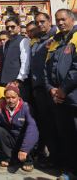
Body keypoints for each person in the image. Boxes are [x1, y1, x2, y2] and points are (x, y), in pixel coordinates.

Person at [44, 9, 77, 178]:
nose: (61, 23)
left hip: (73, 96)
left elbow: (76, 69)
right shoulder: (55, 41)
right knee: (64, 135)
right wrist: (50, 88)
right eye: (58, 20)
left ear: (72, 20)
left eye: (64, 19)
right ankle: (68, 169)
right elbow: (46, 67)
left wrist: (63, 89)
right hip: (57, 96)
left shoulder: (76, 38)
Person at [0, 84, 38, 172]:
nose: (10, 100)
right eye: (8, 98)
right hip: (12, 138)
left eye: (13, 97)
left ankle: (28, 160)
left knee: (31, 133)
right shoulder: (1, 108)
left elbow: (32, 129)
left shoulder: (26, 107)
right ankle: (10, 157)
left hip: (24, 140)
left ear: (18, 96)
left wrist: (24, 149)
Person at [29, 12, 58, 165]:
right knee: (45, 123)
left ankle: (61, 158)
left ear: (49, 21)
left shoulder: (56, 38)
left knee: (56, 124)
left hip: (51, 88)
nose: (40, 24)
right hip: (38, 88)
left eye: (42, 21)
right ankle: (52, 156)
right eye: (37, 22)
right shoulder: (36, 41)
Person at [0, 17, 30, 101]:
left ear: (19, 27)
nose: (9, 29)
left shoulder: (23, 41)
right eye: (7, 27)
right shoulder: (7, 43)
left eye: (12, 27)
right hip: (6, 81)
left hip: (17, 82)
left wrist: (19, 79)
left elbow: (25, 62)